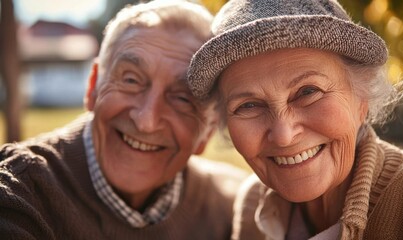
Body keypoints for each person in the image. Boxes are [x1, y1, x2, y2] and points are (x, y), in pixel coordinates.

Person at [0, 1, 248, 239]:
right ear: (93, 87)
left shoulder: (238, 208)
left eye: (183, 98)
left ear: (206, 133)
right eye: (131, 80)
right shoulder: (18, 193)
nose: (146, 121)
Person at [187, 0, 403, 239]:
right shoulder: (254, 205)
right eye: (248, 105)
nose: (284, 136)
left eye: (308, 92)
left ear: (361, 99)